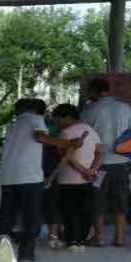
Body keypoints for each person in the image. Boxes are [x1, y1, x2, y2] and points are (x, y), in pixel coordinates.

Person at [0, 99, 85, 262]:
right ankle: (26, 254)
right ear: (39, 110)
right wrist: (68, 143)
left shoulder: (15, 124)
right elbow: (40, 137)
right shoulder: (35, 119)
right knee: (31, 217)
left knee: (6, 216)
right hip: (29, 176)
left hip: (8, 175)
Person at [82, 77, 131, 246]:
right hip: (122, 163)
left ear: (93, 91)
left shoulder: (89, 110)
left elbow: (83, 135)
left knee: (98, 200)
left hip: (99, 165)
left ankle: (99, 237)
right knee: (120, 200)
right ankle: (119, 237)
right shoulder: (125, 108)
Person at [48, 102, 102, 252]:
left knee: (69, 210)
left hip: (68, 180)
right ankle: (81, 240)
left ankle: (72, 241)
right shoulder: (91, 130)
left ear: (67, 117)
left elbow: (67, 157)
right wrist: (92, 170)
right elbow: (100, 152)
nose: (58, 124)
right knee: (84, 211)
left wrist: (84, 170)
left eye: (58, 120)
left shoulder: (65, 133)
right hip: (87, 180)